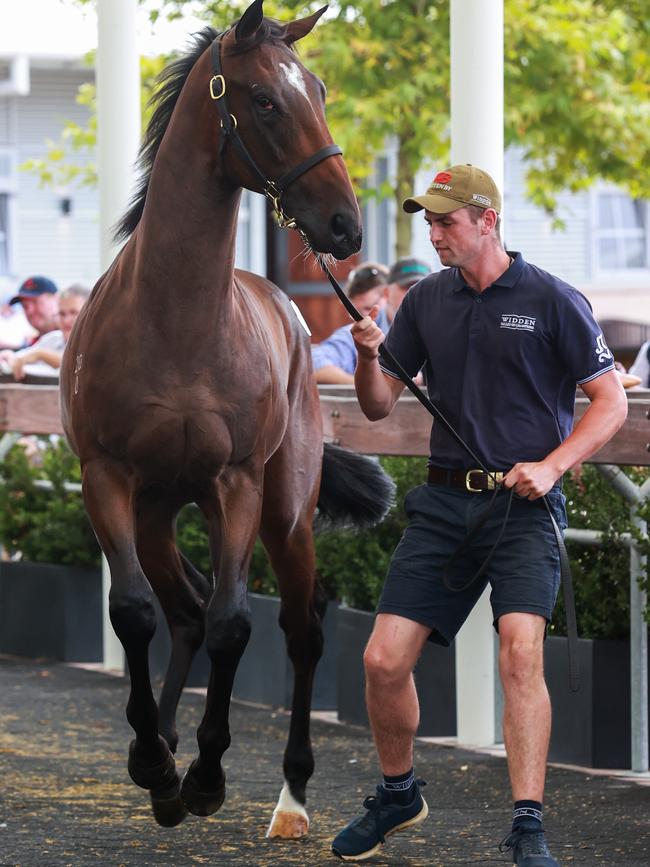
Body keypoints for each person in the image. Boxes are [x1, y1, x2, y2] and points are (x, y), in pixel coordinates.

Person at [331, 164, 628, 865]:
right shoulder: (428, 301)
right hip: (441, 502)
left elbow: (609, 401)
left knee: (520, 653)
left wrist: (553, 464)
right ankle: (399, 791)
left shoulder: (554, 299)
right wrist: (370, 356)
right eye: (428, 222)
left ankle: (528, 823)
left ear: (487, 220)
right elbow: (378, 404)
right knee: (381, 660)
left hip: (525, 509)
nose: (433, 234)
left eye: (445, 221)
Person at [312, 258, 430, 384]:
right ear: (387, 293)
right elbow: (315, 364)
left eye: (423, 288)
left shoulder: (446, 326)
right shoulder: (356, 334)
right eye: (407, 288)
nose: (416, 295)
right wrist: (375, 387)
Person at [311, 262, 390, 384]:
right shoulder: (349, 336)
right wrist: (370, 389)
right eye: (354, 313)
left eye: (368, 309)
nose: (361, 320)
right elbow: (315, 364)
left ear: (387, 295)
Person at [0, 284, 89, 380]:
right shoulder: (52, 339)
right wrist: (9, 356)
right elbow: (19, 358)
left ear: (89, 312)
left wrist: (40, 355)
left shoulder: (96, 343)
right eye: (61, 314)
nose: (66, 320)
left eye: (74, 313)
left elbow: (81, 365)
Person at [7, 275, 60, 345]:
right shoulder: (32, 343)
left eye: (35, 302)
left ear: (57, 299)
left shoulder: (72, 339)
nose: (29, 311)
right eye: (24, 306)